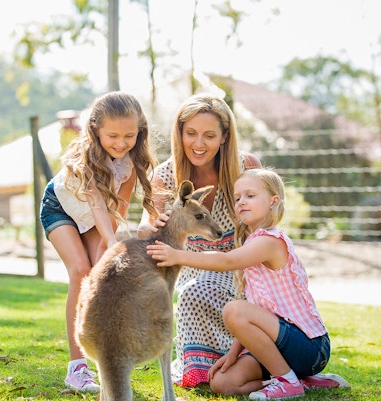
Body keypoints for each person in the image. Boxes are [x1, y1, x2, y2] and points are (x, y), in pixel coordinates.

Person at [147, 168, 349, 400]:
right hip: (280, 346)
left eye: (250, 196)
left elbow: (227, 260)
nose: (241, 202)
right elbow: (258, 309)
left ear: (273, 201)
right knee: (223, 383)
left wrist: (178, 255)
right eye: (237, 197)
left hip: (309, 348)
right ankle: (299, 380)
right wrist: (233, 354)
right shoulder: (251, 241)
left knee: (234, 309)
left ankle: (287, 381)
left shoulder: (270, 240)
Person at [137, 93, 261, 387]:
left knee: (199, 291)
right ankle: (207, 368)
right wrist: (153, 224)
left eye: (209, 135)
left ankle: (247, 363)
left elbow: (264, 223)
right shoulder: (166, 175)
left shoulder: (245, 166)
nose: (198, 143)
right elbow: (145, 224)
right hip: (190, 267)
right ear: (179, 134)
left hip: (239, 269)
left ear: (224, 137)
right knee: (194, 290)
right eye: (190, 133)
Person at [39, 91, 158, 393]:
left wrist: (112, 247)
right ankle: (77, 367)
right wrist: (115, 243)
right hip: (61, 208)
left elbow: (116, 210)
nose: (121, 143)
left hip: (99, 217)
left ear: (139, 131)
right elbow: (94, 205)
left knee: (99, 275)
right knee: (80, 271)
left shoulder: (132, 162)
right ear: (95, 130)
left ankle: (108, 361)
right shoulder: (88, 157)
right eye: (113, 136)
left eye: (129, 136)